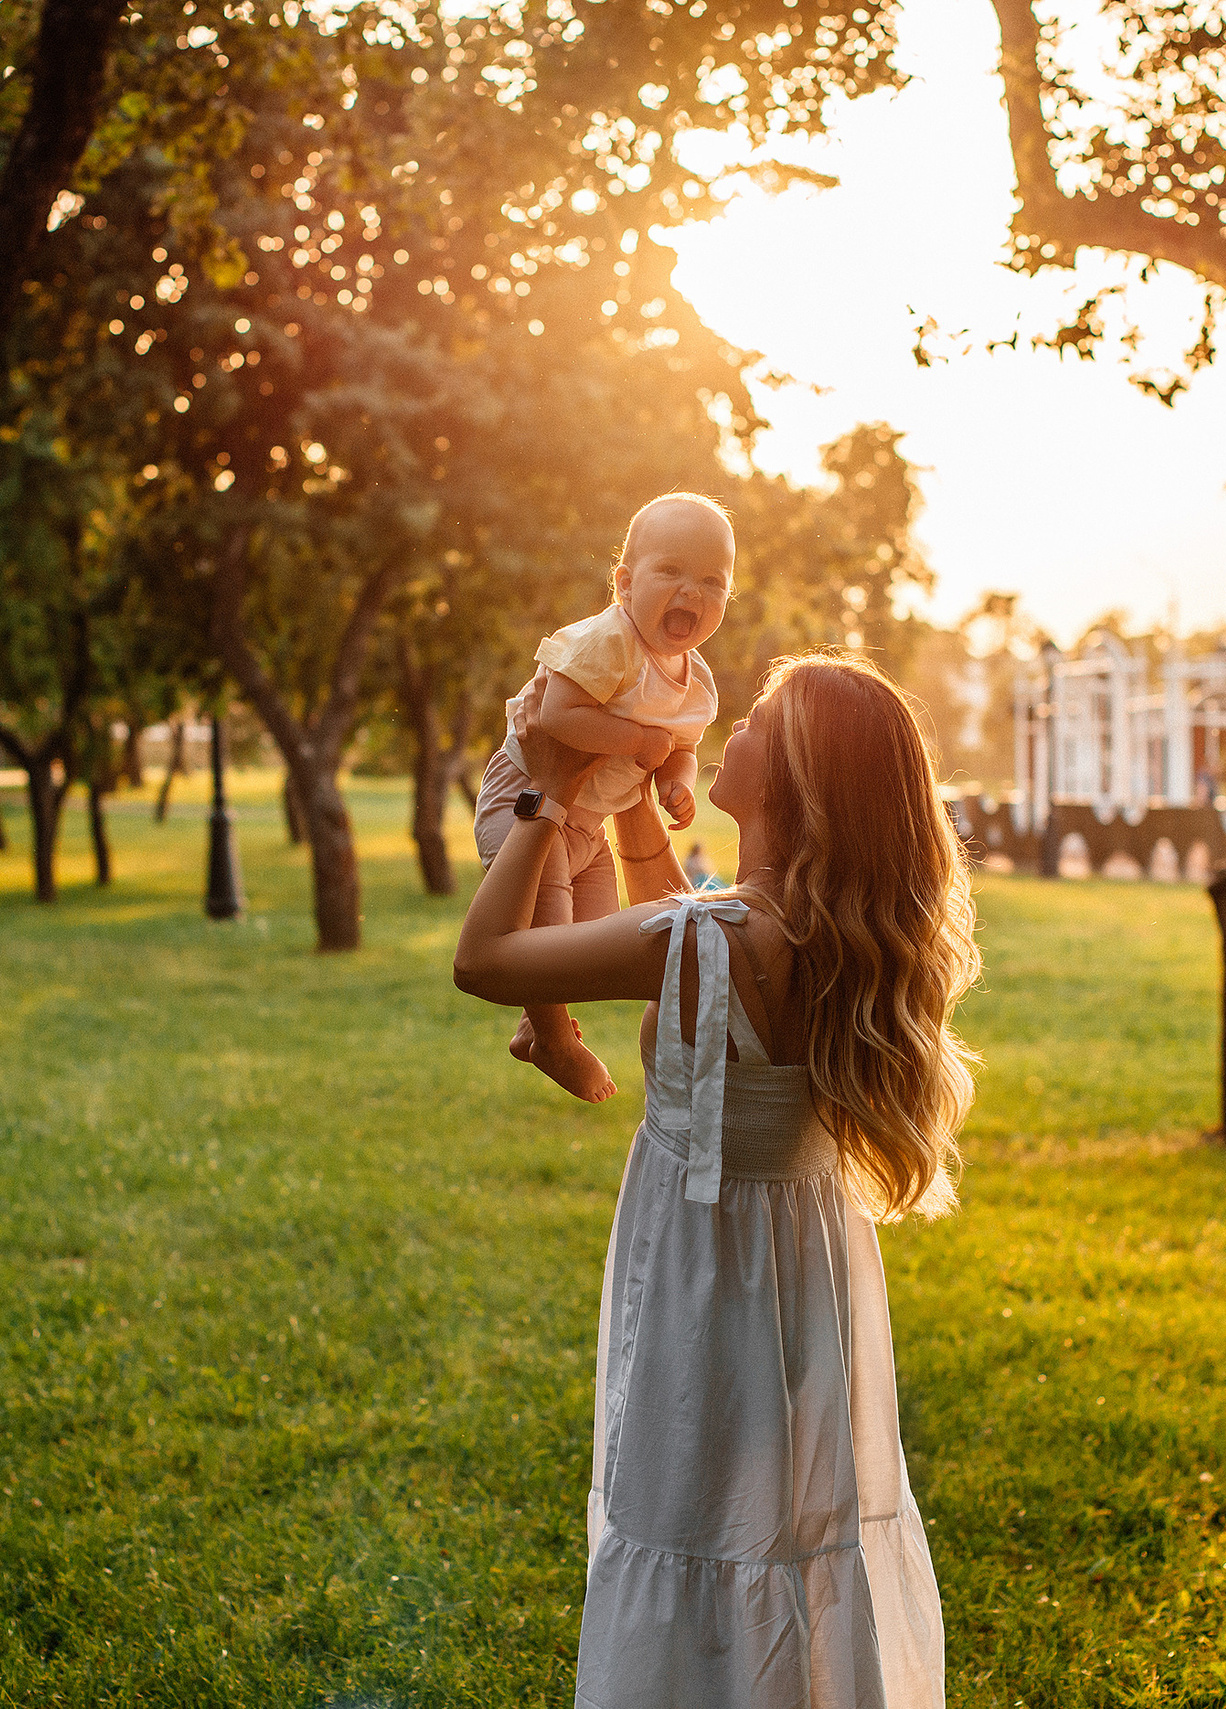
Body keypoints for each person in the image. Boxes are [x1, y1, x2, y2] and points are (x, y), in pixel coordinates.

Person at [455, 652, 979, 1709]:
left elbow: (487, 960)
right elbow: (692, 943)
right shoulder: (818, 937)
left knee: (697, 1513)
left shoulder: (711, 940)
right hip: (802, 1273)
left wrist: (542, 796)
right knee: (787, 1520)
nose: (730, 727)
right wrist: (636, 808)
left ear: (790, 780)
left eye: (758, 721)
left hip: (704, 1271)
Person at [472, 492, 732, 1104]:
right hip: (527, 796)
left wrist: (676, 781)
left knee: (584, 941)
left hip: (590, 823)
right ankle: (555, 1042)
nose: (691, 591)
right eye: (670, 571)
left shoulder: (696, 681)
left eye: (712, 581)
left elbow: (681, 746)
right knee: (546, 927)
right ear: (624, 583)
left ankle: (534, 1021)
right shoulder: (606, 641)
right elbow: (557, 715)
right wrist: (638, 740)